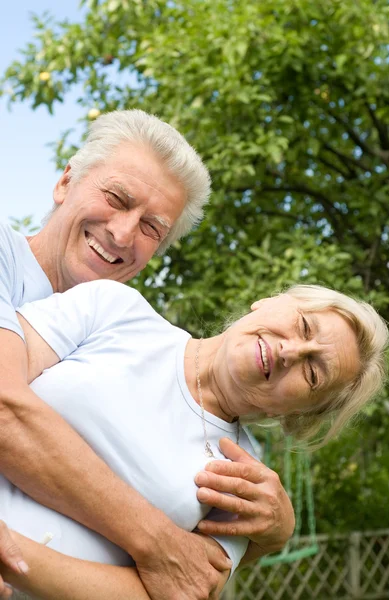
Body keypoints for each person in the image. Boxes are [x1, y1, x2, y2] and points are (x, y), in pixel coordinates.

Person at [0, 110, 295, 600]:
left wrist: (273, 534)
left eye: (152, 227)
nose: (121, 233)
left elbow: (195, 583)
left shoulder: (125, 341)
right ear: (65, 181)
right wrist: (156, 543)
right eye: (116, 198)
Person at [0, 280, 389, 600]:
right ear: (269, 301)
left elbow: (177, 594)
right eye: (305, 326)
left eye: (313, 373)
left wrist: (14, 558)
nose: (290, 351)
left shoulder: (249, 485)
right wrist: (154, 537)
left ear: (302, 413)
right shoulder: (114, 308)